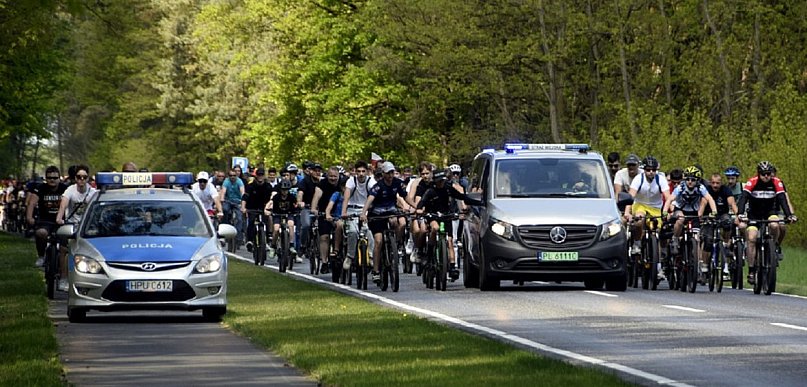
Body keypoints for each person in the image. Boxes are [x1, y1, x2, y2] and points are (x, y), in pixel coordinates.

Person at [736, 161, 797, 284]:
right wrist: (740, 214)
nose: (766, 176)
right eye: (763, 174)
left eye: (768, 174)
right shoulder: (752, 182)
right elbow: (743, 198)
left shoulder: (776, 182)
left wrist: (789, 215)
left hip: (770, 212)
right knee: (752, 238)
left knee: (775, 224)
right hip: (754, 214)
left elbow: (782, 199)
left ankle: (772, 247)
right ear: (759, 174)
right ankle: (752, 270)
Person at [416, 169, 482, 281]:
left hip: (446, 216)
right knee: (435, 228)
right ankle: (429, 254)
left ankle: (452, 266)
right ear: (435, 181)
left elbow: (462, 197)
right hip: (433, 216)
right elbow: (421, 203)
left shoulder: (447, 189)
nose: (441, 183)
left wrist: (478, 202)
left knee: (450, 241)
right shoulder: (430, 191)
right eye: (439, 181)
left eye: (443, 180)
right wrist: (419, 210)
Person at [360, 162, 416, 284]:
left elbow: (405, 196)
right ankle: (375, 271)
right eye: (388, 173)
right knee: (379, 240)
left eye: (392, 172)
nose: (391, 175)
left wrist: (416, 206)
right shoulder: (378, 186)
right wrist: (364, 213)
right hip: (377, 213)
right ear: (383, 174)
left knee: (399, 221)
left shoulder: (397, 183)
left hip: (391, 210)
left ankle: (396, 244)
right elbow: (370, 199)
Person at [663, 166, 718, 279]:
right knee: (680, 219)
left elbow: (710, 199)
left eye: (693, 180)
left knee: (697, 238)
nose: (690, 182)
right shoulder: (681, 187)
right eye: (688, 179)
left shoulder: (701, 187)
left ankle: (697, 263)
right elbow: (670, 199)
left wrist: (714, 211)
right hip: (681, 210)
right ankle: (676, 239)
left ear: (697, 180)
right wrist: (664, 211)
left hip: (693, 213)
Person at [55, 165, 96, 291]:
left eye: (84, 177)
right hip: (71, 224)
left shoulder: (93, 193)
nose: (81, 180)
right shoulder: (70, 191)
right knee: (64, 249)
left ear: (88, 178)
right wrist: (59, 218)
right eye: (79, 177)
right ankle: (63, 278)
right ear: (75, 178)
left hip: (86, 226)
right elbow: (63, 205)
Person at [624, 156, 671, 256]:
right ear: (644, 170)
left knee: (658, 230)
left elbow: (668, 197)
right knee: (639, 221)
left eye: (653, 170)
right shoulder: (638, 179)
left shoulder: (661, 179)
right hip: (640, 205)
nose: (651, 172)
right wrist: (627, 212)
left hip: (656, 208)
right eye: (648, 170)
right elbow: (630, 197)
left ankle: (658, 256)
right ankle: (637, 244)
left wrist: (670, 212)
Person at [26, 166, 68, 268]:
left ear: (59, 178)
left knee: (68, 238)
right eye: (49, 178)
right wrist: (29, 217)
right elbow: (31, 203)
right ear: (46, 178)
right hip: (45, 221)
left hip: (62, 221)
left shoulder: (65, 188)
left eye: (55, 178)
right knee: (41, 233)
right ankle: (41, 256)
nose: (52, 180)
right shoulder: (40, 188)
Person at [341, 160, 376, 271]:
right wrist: (344, 212)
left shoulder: (371, 181)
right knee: (352, 232)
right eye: (359, 171)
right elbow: (346, 196)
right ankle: (350, 256)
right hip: (352, 209)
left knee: (369, 231)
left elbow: (373, 195)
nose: (361, 174)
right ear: (355, 172)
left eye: (363, 171)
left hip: (366, 210)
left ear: (367, 172)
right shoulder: (351, 181)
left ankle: (371, 255)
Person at [701, 173, 739, 270]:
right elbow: (703, 203)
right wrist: (700, 216)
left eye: (717, 183)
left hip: (722, 214)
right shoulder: (707, 190)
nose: (715, 185)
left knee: (728, 222)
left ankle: (726, 244)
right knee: (708, 241)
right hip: (708, 215)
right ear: (710, 182)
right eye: (713, 183)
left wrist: (738, 215)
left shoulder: (726, 190)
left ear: (721, 183)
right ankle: (705, 265)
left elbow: (732, 203)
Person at [311, 166, 343, 273]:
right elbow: (316, 197)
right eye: (331, 176)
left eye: (335, 176)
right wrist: (314, 209)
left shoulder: (343, 184)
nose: (333, 178)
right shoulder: (322, 184)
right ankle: (324, 262)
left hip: (339, 214)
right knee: (324, 237)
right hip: (324, 213)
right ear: (327, 175)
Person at [242, 168, 274, 253]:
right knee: (251, 221)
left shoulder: (268, 186)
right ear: (256, 175)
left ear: (264, 176)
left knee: (267, 219)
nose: (260, 176)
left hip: (264, 208)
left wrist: (270, 207)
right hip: (252, 207)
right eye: (259, 175)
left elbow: (272, 198)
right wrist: (243, 208)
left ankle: (268, 238)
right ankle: (249, 240)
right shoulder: (250, 186)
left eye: (262, 175)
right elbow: (245, 197)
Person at [265, 178, 298, 257]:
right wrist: (266, 209)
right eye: (283, 190)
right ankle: (273, 246)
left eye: (286, 190)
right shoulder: (276, 197)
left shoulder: (291, 197)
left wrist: (298, 208)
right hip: (277, 214)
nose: (284, 192)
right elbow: (270, 203)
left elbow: (296, 204)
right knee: (276, 229)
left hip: (289, 214)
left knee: (291, 224)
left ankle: (291, 244)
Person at [220, 167, 245, 247]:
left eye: (234, 175)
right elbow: (223, 191)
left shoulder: (239, 181)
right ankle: (225, 228)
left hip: (237, 201)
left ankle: (238, 237)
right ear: (228, 176)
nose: (232, 177)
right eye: (230, 175)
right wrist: (222, 199)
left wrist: (243, 204)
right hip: (228, 201)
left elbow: (242, 192)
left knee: (239, 218)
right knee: (225, 210)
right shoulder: (226, 182)